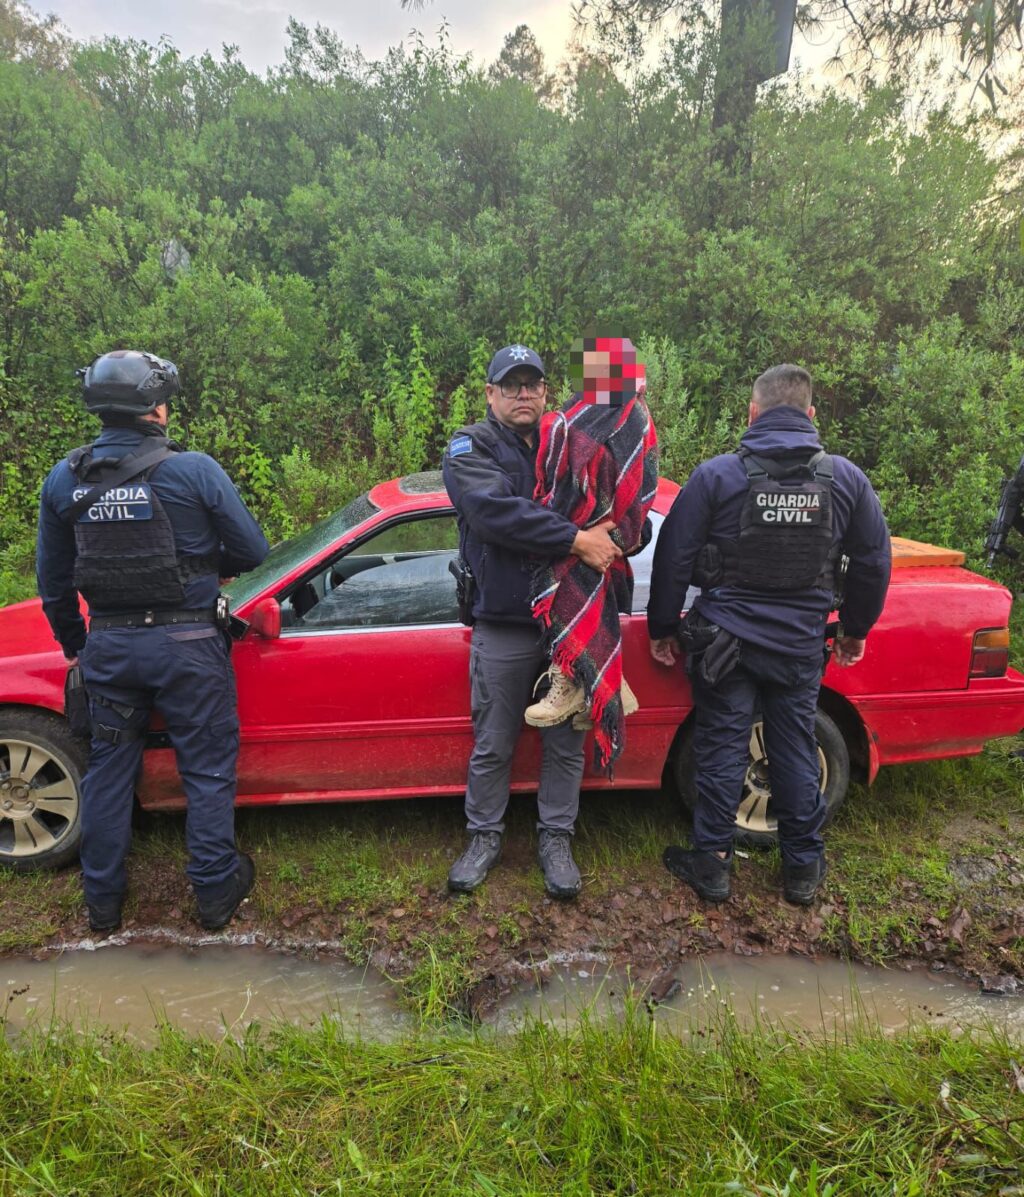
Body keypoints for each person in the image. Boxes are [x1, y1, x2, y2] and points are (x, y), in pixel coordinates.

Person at [36, 350, 270, 933]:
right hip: (188, 645)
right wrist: (203, 566)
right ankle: (215, 892)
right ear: (156, 410)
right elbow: (252, 551)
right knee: (207, 769)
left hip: (110, 648)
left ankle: (102, 904)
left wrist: (76, 644)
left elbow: (53, 582)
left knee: (109, 771)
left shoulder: (64, 479)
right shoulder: (194, 471)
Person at [647, 364, 891, 905]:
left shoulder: (716, 477)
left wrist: (662, 628)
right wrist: (855, 630)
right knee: (795, 749)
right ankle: (802, 868)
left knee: (722, 747)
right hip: (800, 646)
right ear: (811, 414)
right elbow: (874, 562)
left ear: (752, 413)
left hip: (724, 646)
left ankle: (712, 865)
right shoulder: (846, 480)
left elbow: (673, 557)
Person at [442, 343, 622, 898]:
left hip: (568, 624)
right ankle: (483, 838)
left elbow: (610, 502)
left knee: (565, 743)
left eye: (533, 384)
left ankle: (556, 840)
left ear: (546, 392)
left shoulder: (568, 441)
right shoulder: (470, 447)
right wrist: (576, 539)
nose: (524, 394)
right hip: (504, 623)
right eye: (511, 385)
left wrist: (608, 530)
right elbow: (495, 513)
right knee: (494, 742)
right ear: (490, 393)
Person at [524, 335, 659, 774]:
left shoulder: (631, 417)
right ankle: (602, 682)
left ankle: (580, 678)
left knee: (565, 571)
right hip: (579, 532)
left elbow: (639, 490)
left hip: (601, 535)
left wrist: (606, 536)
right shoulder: (573, 415)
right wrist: (578, 534)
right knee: (569, 560)